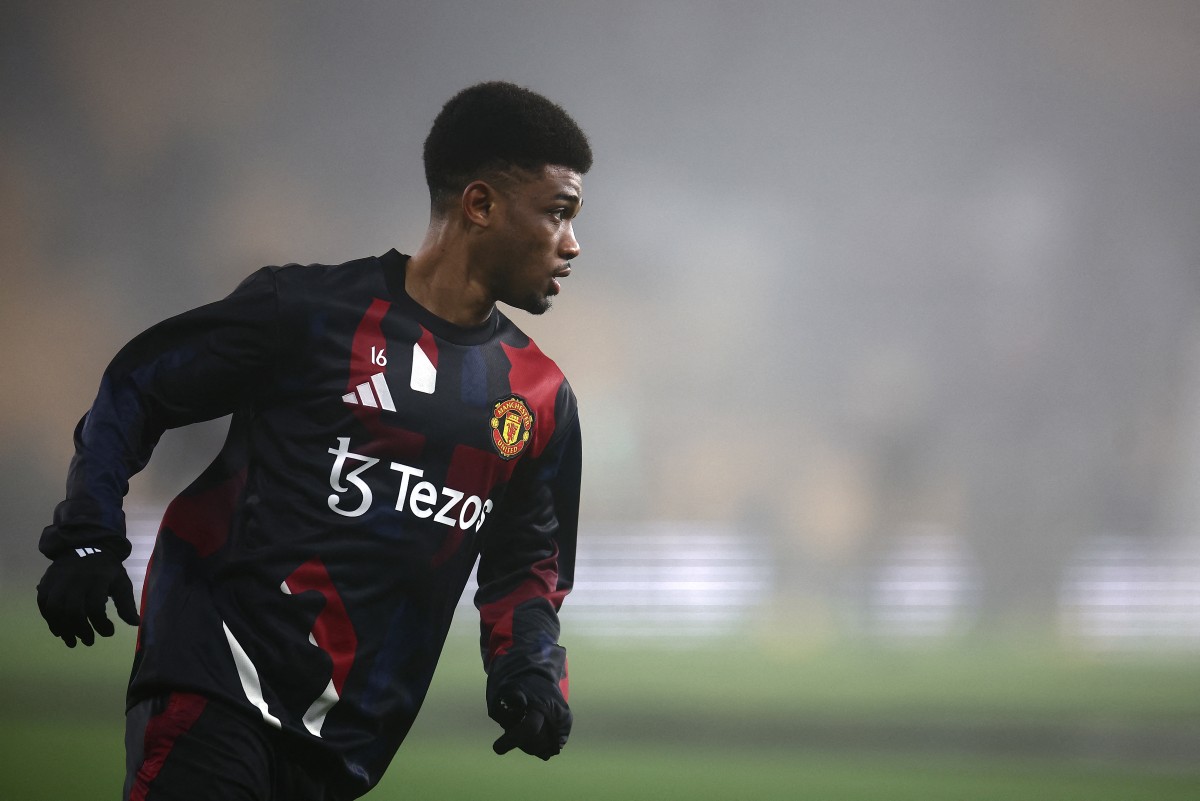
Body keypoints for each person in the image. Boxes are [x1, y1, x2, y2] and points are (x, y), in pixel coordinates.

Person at [35, 80, 591, 800]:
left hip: (346, 749)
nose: (573, 244)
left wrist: (529, 671)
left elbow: (527, 566)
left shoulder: (539, 398)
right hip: (214, 687)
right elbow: (139, 384)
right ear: (480, 205)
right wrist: (88, 526)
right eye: (558, 213)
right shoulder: (309, 314)